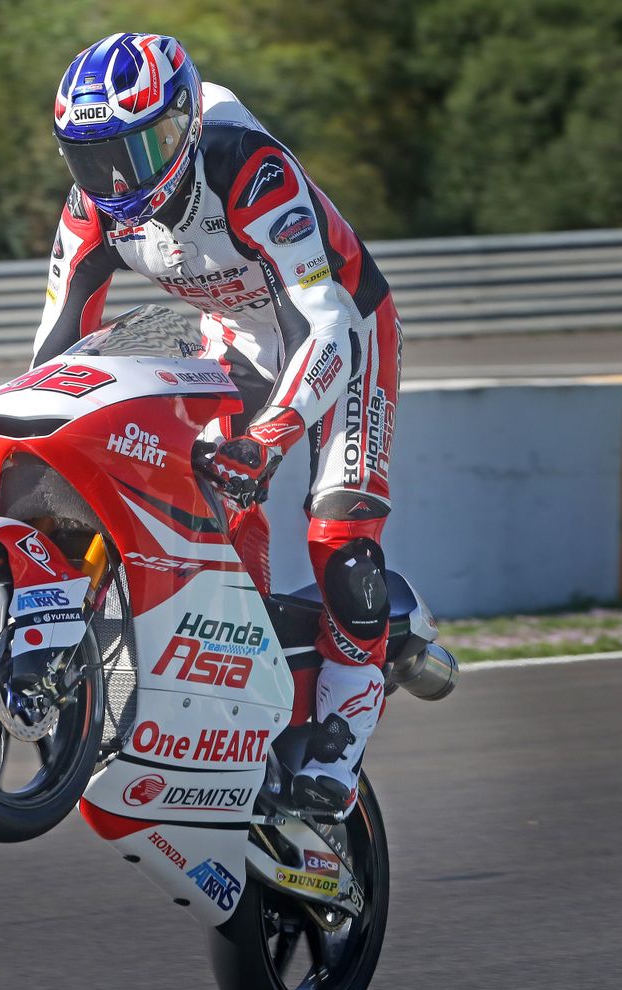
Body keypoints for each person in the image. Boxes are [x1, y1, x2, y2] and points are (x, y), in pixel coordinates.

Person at [33, 32, 400, 818]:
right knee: (209, 503)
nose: (118, 177)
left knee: (337, 531)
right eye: (92, 158)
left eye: (136, 148)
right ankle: (248, 669)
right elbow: (56, 340)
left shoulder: (249, 169)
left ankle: (344, 729)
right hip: (232, 342)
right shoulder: (91, 210)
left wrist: (270, 438)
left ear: (180, 125)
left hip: (346, 332)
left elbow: (324, 321)